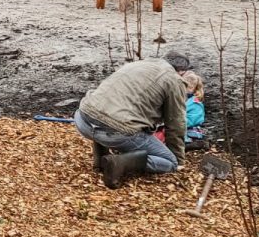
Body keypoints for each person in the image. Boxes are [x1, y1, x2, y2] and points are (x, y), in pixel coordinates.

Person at [73, 51, 191, 188]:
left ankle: (100, 160)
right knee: (170, 162)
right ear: (181, 72)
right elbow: (176, 123)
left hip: (83, 119)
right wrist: (179, 159)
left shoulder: (138, 64)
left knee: (105, 111)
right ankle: (119, 162)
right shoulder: (174, 79)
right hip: (114, 132)